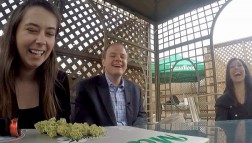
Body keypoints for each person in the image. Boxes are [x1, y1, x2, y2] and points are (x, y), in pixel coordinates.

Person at [0, 0, 71, 129]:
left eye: (49, 33)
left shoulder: (59, 81)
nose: (41, 41)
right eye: (32, 30)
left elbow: (63, 136)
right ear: (14, 33)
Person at [71, 43, 147, 126]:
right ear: (103, 61)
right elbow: (82, 120)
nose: (118, 59)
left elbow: (141, 116)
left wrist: (134, 132)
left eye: (122, 57)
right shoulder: (86, 87)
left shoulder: (135, 89)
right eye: (113, 56)